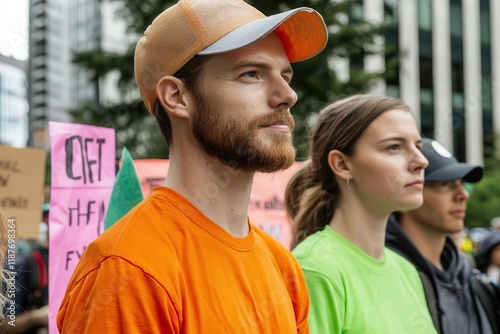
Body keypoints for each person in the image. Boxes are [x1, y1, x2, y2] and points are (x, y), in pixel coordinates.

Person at [57, 0, 328, 332]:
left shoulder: (283, 267)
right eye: (251, 74)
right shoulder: (128, 268)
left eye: (285, 75)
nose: (287, 94)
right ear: (177, 97)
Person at [291, 94, 437, 333]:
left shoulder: (406, 270)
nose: (421, 161)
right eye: (394, 147)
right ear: (342, 165)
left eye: (417, 146)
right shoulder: (316, 270)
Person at [385, 138, 500, 334]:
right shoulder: (382, 278)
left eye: (462, 183)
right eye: (445, 184)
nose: (463, 194)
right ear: (406, 191)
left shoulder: (473, 281)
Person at [2, 204, 49, 333]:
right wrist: (36, 317)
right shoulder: (23, 264)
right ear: (46, 218)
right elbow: (6, 324)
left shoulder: (77, 259)